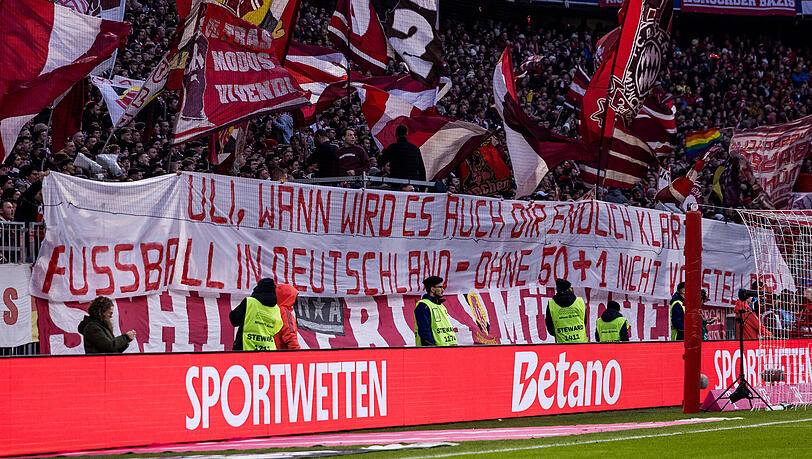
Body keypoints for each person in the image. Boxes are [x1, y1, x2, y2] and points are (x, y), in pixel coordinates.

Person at [229, 278, 282, 350]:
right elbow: (278, 327)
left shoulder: (250, 302)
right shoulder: (276, 308)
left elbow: (234, 319)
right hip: (268, 348)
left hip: (245, 346)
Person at [414, 275, 458, 346]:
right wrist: (432, 349)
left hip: (450, 347)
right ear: (432, 289)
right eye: (440, 287)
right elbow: (424, 331)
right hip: (436, 351)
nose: (443, 290)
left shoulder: (441, 305)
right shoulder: (423, 306)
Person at [545, 278, 587, 343]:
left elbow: (550, 326)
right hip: (581, 343)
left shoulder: (551, 305)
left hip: (562, 344)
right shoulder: (580, 302)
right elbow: (584, 321)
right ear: (568, 289)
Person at [274, 283, 301, 350]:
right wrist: (298, 354)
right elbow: (290, 335)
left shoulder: (272, 310)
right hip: (282, 355)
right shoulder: (285, 313)